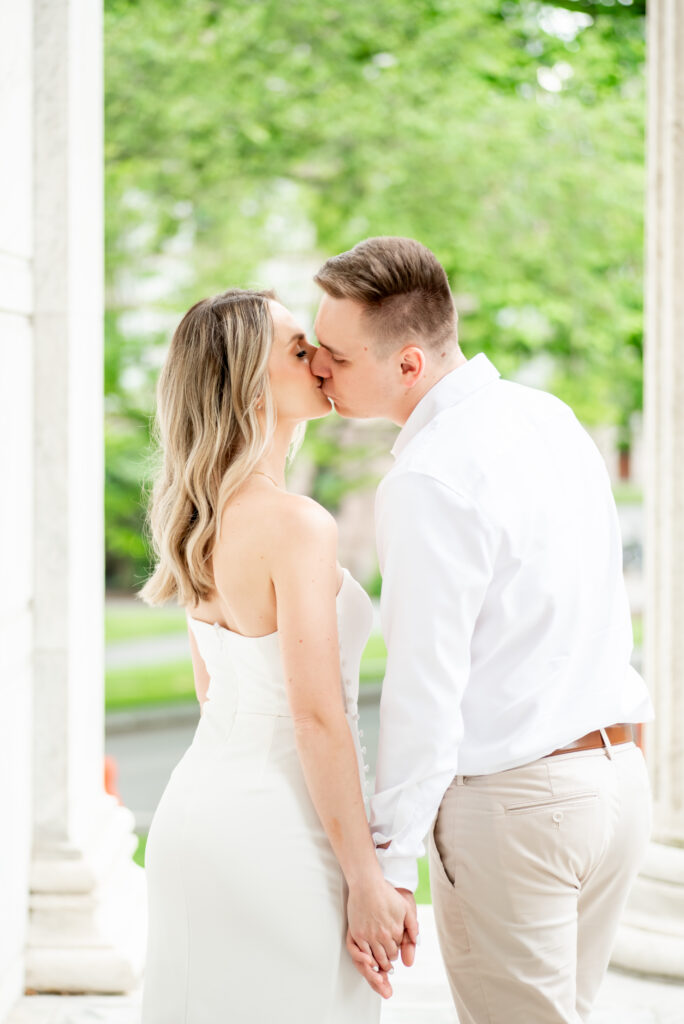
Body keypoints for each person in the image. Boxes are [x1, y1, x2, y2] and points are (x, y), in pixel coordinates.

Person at [310, 236, 655, 1024]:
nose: (321, 368)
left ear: (407, 364)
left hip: (520, 808)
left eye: (336, 355)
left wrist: (390, 871)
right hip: (618, 782)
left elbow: (425, 690)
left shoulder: (428, 477)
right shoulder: (550, 416)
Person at [137, 288, 418, 1024]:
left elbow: (213, 694)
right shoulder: (297, 526)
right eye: (299, 349)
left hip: (195, 820)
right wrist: (367, 879)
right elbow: (318, 717)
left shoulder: (195, 519)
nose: (322, 361)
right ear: (249, 383)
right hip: (281, 834)